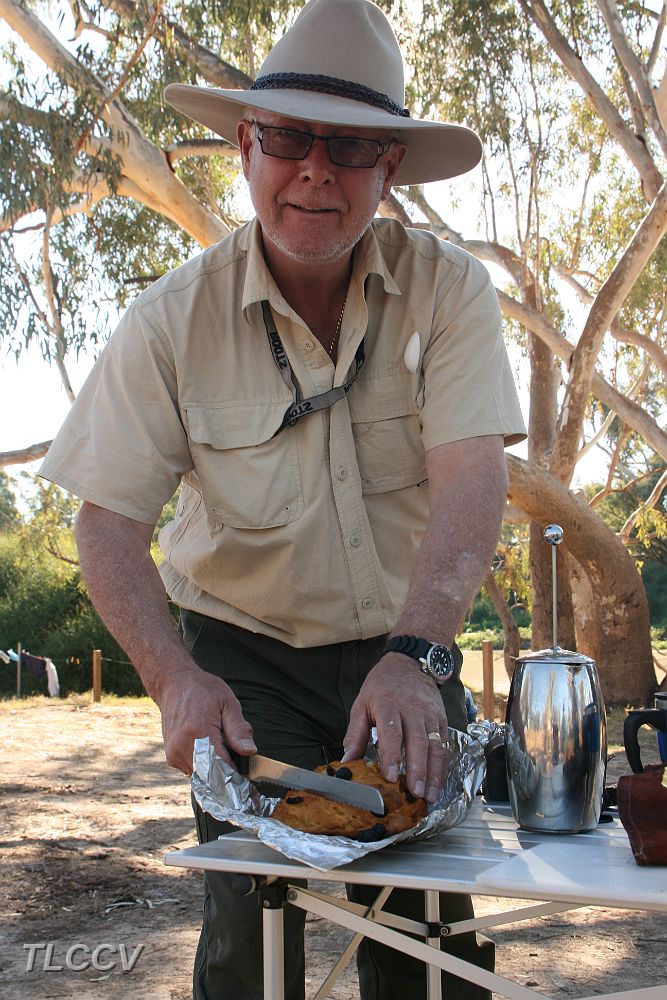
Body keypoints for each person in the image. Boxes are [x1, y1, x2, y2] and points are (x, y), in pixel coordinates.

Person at [40, 1, 526, 997]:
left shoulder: (449, 291)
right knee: (249, 921)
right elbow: (109, 524)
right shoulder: (169, 321)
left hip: (405, 641)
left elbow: (473, 475)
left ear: (389, 165)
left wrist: (416, 654)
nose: (315, 169)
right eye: (289, 138)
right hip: (242, 655)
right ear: (243, 147)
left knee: (427, 934)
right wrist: (173, 677)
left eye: (348, 145)